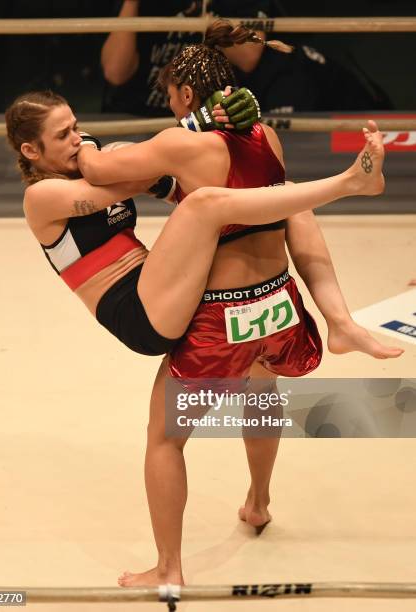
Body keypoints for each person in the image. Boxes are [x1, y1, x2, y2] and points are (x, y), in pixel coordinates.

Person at [78, 20, 401, 587]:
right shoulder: (267, 139)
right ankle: (258, 501)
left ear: (183, 96)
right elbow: (243, 198)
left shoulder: (181, 142)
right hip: (279, 303)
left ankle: (169, 568)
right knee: (261, 387)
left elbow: (96, 168)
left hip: (220, 317)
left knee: (165, 438)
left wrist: (87, 145)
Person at [101, 0, 392, 116]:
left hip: (209, 122)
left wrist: (206, 16)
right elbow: (115, 70)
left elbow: (251, 53)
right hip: (148, 116)